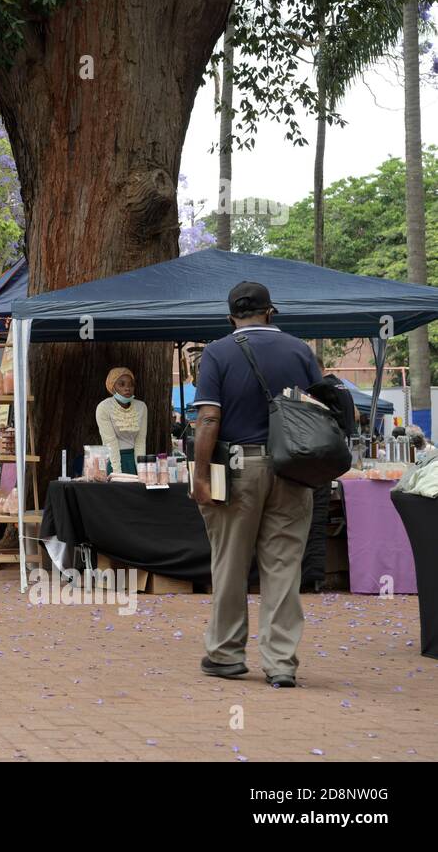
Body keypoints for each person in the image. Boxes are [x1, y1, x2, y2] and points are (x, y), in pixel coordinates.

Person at [191, 281, 321, 689]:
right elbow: (318, 409)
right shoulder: (301, 351)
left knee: (229, 562)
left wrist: (199, 473)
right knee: (283, 566)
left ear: (231, 317)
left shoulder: (217, 352)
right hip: (293, 467)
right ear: (270, 312)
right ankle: (281, 663)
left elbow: (209, 418)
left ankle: (226, 654)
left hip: (236, 467)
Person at [95, 367, 149, 475]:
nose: (127, 388)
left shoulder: (141, 406)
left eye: (131, 384)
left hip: (134, 460)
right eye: (122, 384)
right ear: (112, 387)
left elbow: (140, 441)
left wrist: (141, 470)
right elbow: (110, 442)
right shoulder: (104, 407)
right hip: (113, 460)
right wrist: (117, 473)